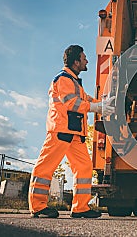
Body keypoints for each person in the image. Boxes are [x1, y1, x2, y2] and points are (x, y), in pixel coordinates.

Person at [28, 45, 115, 218]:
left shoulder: (74, 82)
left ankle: (80, 208)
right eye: (84, 58)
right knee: (45, 168)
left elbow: (86, 100)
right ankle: (37, 207)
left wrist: (103, 104)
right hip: (60, 132)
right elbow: (72, 103)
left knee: (84, 167)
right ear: (76, 62)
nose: (87, 61)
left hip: (74, 134)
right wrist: (97, 107)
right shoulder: (63, 79)